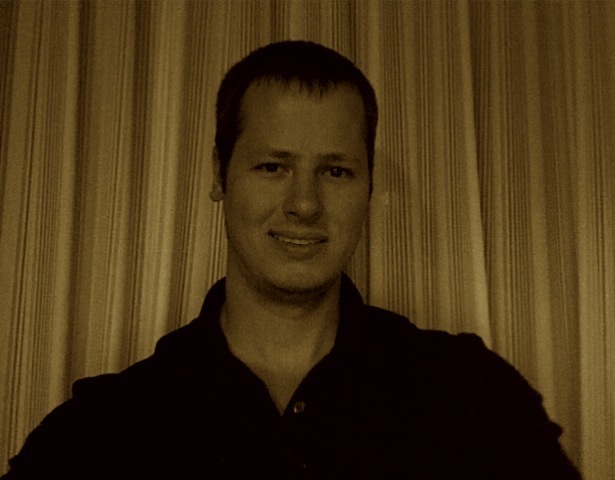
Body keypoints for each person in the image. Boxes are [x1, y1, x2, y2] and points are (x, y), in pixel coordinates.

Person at [2, 41, 581, 479]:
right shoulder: (104, 430)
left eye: (336, 171)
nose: (304, 204)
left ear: (369, 186)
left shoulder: (472, 396)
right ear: (219, 175)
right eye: (272, 166)